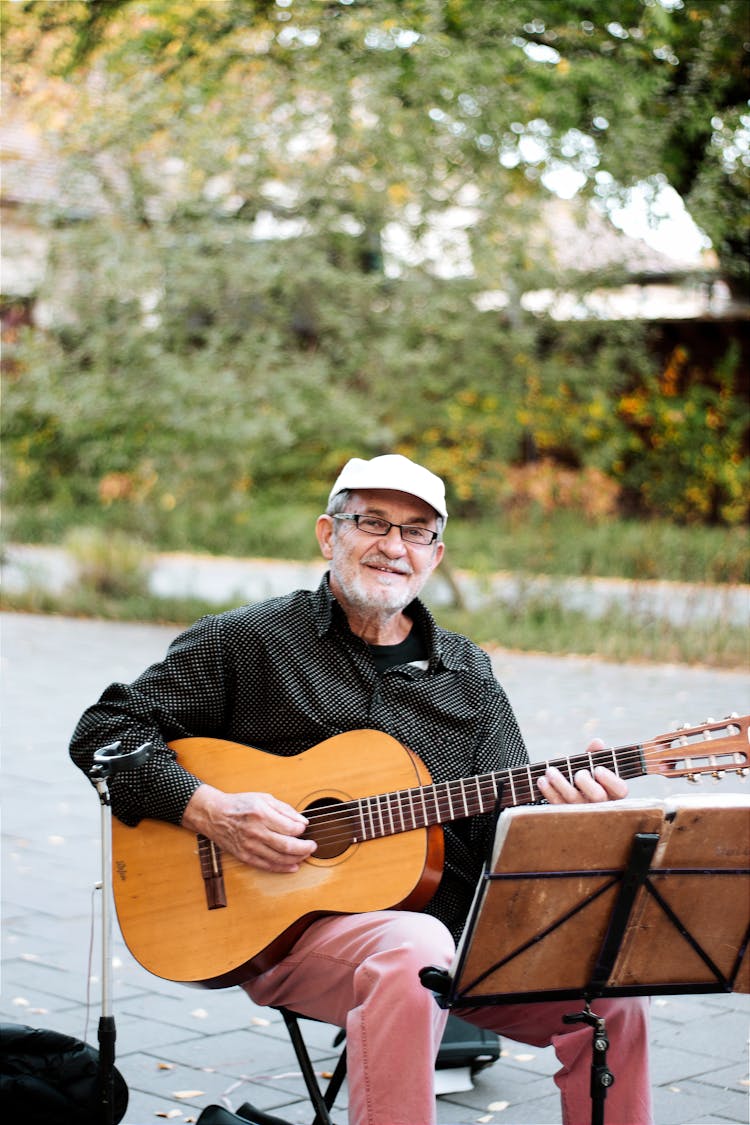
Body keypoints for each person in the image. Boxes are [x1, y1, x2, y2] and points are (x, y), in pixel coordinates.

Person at [70, 453, 652, 1125]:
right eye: (372, 522)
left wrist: (565, 815)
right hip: (283, 932)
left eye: (415, 531)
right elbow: (105, 729)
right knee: (413, 949)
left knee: (612, 1001)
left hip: (454, 935)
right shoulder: (249, 640)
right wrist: (214, 810)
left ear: (436, 555)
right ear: (328, 533)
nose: (393, 546)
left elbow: (504, 830)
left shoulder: (469, 673)